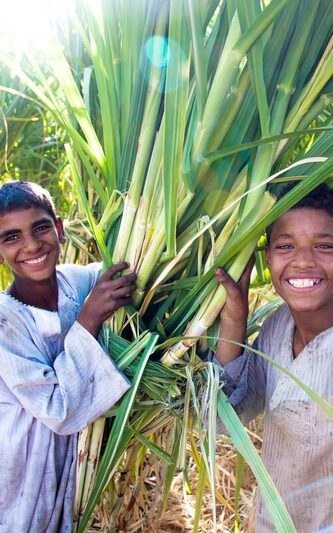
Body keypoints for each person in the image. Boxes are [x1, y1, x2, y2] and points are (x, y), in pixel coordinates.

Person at [0, 180, 136, 532]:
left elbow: (125, 270)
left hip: (70, 471)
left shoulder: (78, 283)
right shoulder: (4, 322)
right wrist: (89, 318)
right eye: (11, 237)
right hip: (19, 475)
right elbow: (57, 408)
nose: (31, 245)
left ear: (58, 228)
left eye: (40, 227)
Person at [214, 183, 333, 532]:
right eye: (285, 245)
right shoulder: (278, 327)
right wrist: (235, 317)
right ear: (267, 259)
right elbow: (227, 417)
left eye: (324, 245)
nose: (303, 261)